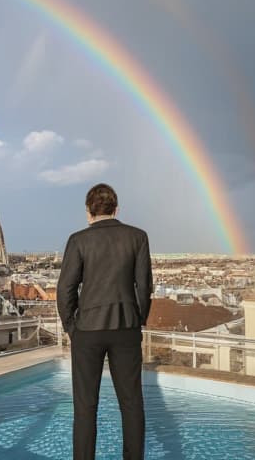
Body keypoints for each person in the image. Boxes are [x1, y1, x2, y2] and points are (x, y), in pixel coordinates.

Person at [56, 183, 153, 460]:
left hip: (88, 330)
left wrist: (71, 327)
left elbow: (65, 289)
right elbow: (144, 286)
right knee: (132, 404)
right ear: (116, 209)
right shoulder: (138, 237)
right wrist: (139, 320)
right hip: (126, 328)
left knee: (85, 407)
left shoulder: (78, 240)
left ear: (88, 212)